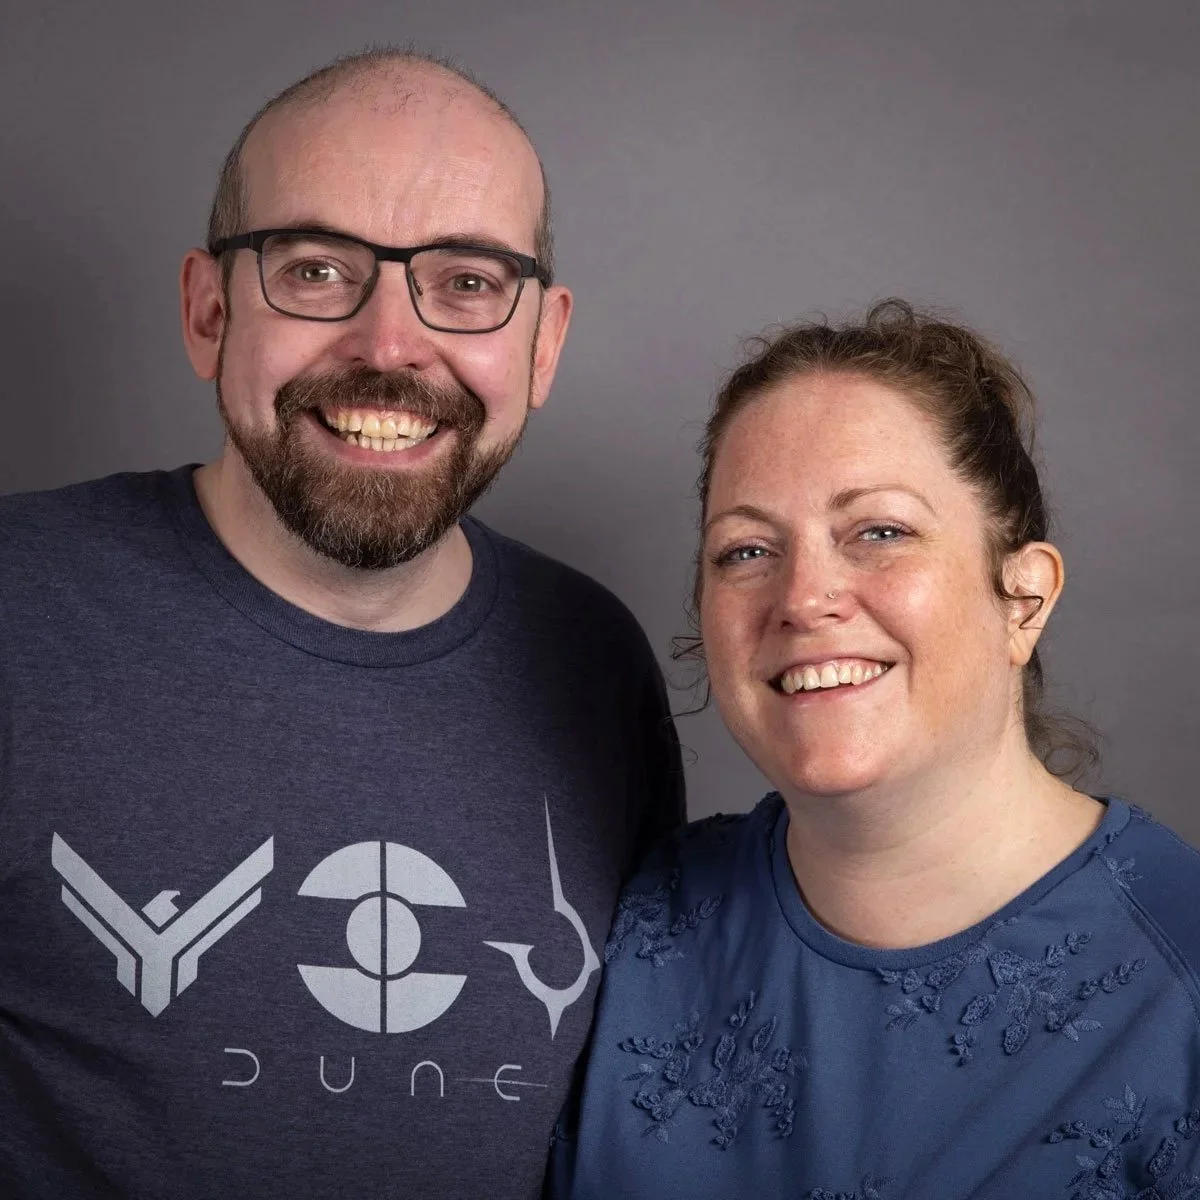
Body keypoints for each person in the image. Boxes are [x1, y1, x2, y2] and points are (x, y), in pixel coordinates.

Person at [0, 49, 682, 1199]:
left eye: (467, 282)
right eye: (316, 269)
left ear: (543, 344)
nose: (389, 344)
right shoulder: (20, 604)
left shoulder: (594, 660)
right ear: (209, 312)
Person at [550, 300, 1200, 1199]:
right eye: (746, 550)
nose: (802, 598)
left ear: (1024, 598)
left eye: (880, 533)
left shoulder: (1182, 978)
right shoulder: (638, 918)